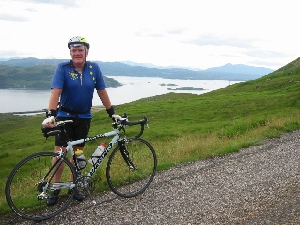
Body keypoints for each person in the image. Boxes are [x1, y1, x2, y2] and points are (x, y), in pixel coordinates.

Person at [42, 36, 116, 206]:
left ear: (86, 52)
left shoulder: (93, 68)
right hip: (64, 116)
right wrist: (51, 113)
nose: (77, 53)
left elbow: (102, 91)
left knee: (77, 153)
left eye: (80, 50)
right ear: (70, 52)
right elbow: (56, 92)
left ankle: (74, 186)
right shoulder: (63, 68)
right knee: (60, 153)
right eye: (74, 50)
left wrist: (112, 113)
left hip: (84, 117)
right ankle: (55, 187)